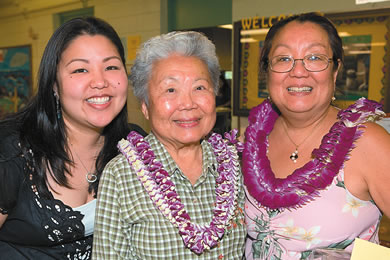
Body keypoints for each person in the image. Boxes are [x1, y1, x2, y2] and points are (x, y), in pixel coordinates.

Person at [242, 12, 390, 259]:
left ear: (335, 70)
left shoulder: (367, 142)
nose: (298, 71)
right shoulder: (253, 140)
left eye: (314, 57)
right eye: (283, 58)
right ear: (267, 71)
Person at [0, 17, 145, 259]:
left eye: (111, 67)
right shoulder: (12, 151)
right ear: (54, 85)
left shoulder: (134, 146)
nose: (100, 82)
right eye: (80, 69)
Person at [93, 31, 246, 259]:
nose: (187, 103)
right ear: (145, 106)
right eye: (170, 90)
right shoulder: (120, 176)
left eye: (200, 87)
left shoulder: (235, 163)